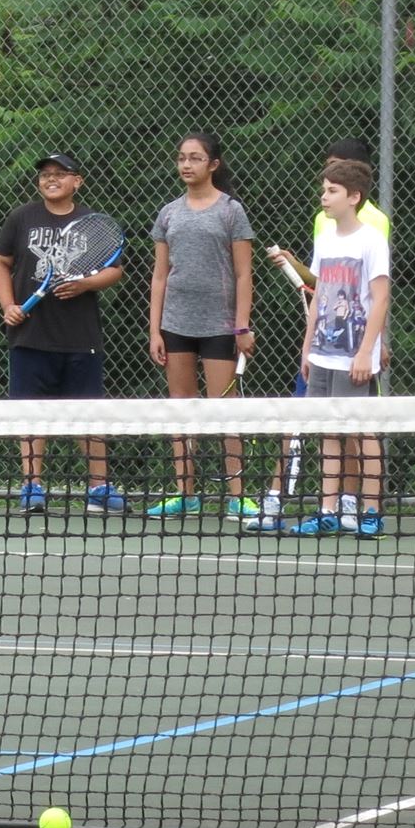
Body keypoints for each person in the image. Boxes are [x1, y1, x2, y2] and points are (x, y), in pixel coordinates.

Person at [0, 152, 128, 514]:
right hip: (30, 336)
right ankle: (32, 487)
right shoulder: (22, 218)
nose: (51, 179)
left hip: (80, 335)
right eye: (46, 175)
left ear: (77, 181)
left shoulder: (91, 221)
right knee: (32, 413)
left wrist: (85, 284)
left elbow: (115, 271)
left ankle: (98, 488)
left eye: (61, 174)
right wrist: (8, 305)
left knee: (88, 412)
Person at [143, 132, 260, 521]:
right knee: (181, 409)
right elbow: (159, 277)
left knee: (225, 409)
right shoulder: (169, 213)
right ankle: (186, 493)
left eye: (195, 158)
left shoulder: (231, 211)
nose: (186, 165)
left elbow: (244, 274)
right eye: (181, 158)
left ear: (213, 164)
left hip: (219, 326)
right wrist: (155, 329)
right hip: (176, 323)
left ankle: (237, 495)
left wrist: (241, 325)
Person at [284, 159, 391, 537]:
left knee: (363, 434)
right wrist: (307, 347)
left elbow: (380, 300)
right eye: (324, 189)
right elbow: (320, 296)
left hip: (355, 357)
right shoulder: (325, 239)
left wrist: (365, 352)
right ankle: (327, 510)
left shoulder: (371, 241)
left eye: (332, 191)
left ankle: (372, 513)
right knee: (328, 432)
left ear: (354, 197)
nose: (324, 197)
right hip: (322, 354)